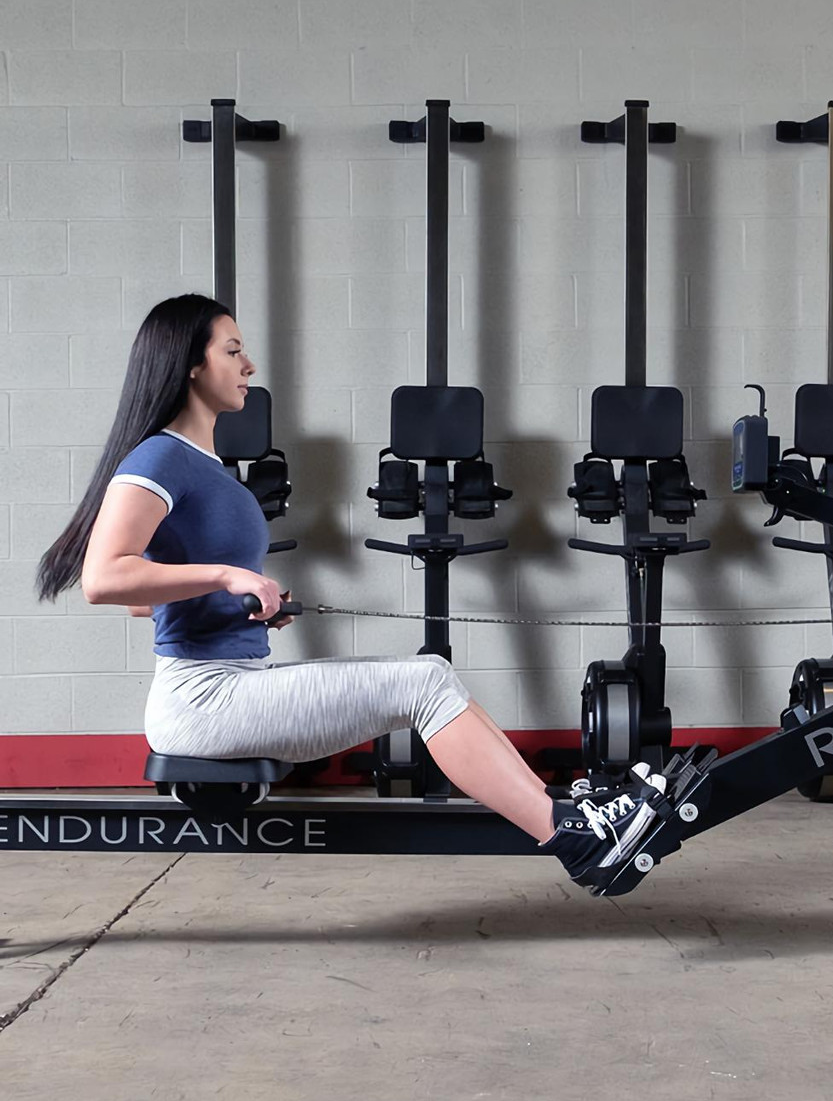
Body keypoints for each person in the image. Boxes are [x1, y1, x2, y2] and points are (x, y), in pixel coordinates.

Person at [36, 294, 672, 889]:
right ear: (190, 366)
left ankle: (565, 814)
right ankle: (577, 845)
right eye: (232, 350)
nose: (248, 363)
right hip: (204, 700)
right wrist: (229, 577)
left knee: (431, 672)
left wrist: (242, 602)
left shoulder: (201, 465)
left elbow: (146, 598)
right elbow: (106, 579)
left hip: (230, 684)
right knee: (423, 686)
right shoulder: (158, 459)